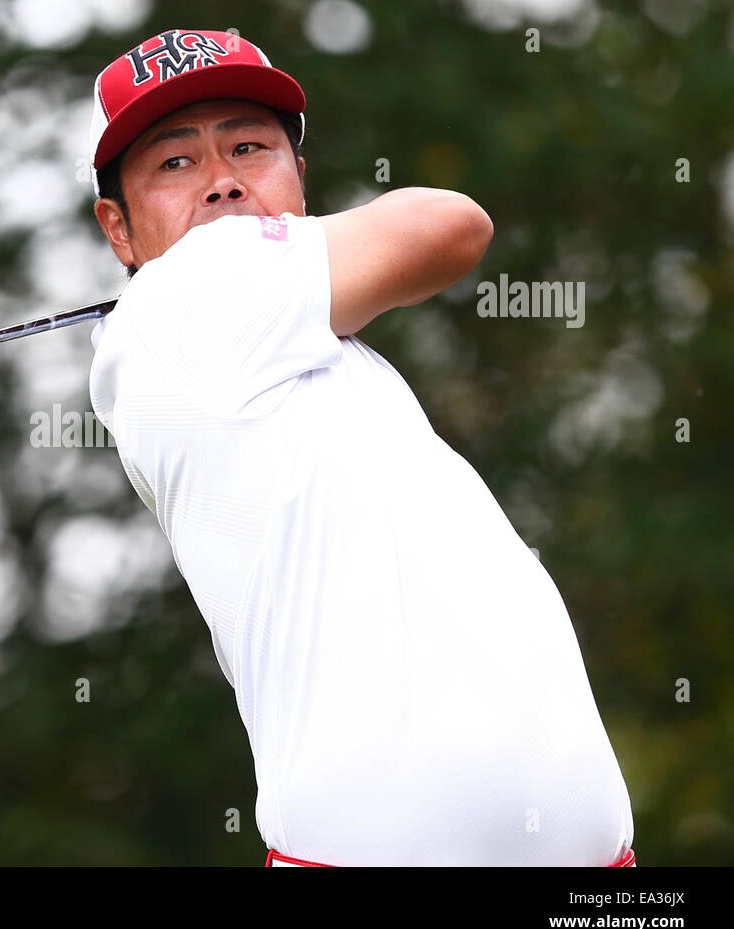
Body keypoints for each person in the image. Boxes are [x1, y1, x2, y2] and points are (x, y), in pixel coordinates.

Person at [85, 28, 637, 867]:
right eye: (176, 162)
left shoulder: (317, 347)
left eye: (249, 147)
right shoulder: (179, 303)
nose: (223, 181)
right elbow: (450, 223)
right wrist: (279, 234)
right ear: (119, 231)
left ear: (300, 177)